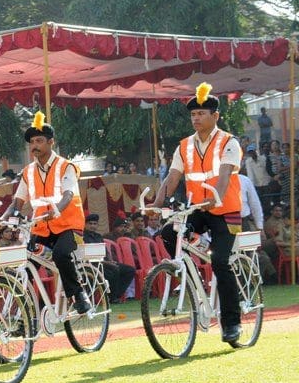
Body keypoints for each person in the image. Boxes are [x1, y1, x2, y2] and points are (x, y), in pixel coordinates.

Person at [152, 82, 243, 343]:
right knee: (169, 232)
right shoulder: (184, 146)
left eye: (201, 113)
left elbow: (224, 176)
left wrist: (215, 199)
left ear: (215, 116)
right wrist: (158, 200)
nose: (196, 118)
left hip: (226, 211)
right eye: (193, 114)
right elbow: (173, 176)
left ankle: (232, 324)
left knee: (221, 263)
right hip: (197, 209)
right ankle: (189, 279)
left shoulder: (229, 142)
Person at [2, 110, 92, 315]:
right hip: (41, 228)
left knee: (61, 255)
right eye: (32, 142)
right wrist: (4, 217)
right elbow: (18, 201)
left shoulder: (65, 166)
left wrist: (56, 210)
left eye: (39, 141)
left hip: (68, 226)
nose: (34, 146)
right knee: (25, 262)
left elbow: (69, 194)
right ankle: (22, 315)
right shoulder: (28, 172)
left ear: (51, 142)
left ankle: (78, 294)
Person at [83, 213, 134, 302]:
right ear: (85, 224)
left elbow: (105, 251)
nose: (92, 226)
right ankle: (112, 298)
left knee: (130, 270)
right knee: (114, 270)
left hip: (104, 263)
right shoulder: (82, 236)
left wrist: (110, 260)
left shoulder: (98, 236)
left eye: (95, 224)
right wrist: (107, 263)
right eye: (90, 224)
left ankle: (116, 294)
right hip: (92, 265)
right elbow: (89, 256)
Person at [239, 173, 276, 284]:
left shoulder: (244, 180)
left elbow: (255, 204)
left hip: (243, 222)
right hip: (222, 221)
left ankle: (251, 283)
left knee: (249, 255)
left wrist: (260, 227)